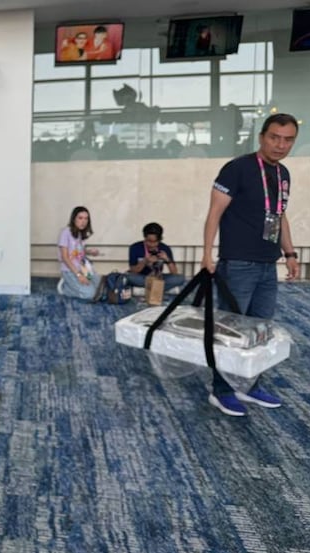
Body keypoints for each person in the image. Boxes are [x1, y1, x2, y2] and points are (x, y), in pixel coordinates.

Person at [201, 112, 300, 416]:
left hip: (266, 266)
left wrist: (290, 253)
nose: (280, 145)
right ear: (261, 137)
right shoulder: (237, 169)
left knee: (260, 331)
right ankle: (221, 390)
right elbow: (214, 212)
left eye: (288, 140)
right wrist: (207, 254)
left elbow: (279, 215)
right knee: (230, 331)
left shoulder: (283, 174)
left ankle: (250, 385)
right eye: (274, 137)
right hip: (238, 265)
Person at [57, 206, 102, 300]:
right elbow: (65, 257)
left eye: (86, 218)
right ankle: (66, 288)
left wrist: (90, 252)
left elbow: (78, 251)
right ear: (74, 219)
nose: (83, 221)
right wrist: (79, 275)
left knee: (100, 287)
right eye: (80, 218)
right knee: (90, 294)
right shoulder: (65, 232)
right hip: (70, 270)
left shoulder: (80, 234)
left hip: (84, 267)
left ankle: (76, 285)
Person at [126, 222, 186, 291]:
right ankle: (159, 289)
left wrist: (167, 259)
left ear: (160, 240)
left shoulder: (164, 248)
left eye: (155, 242)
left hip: (158, 278)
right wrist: (145, 261)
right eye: (149, 241)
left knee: (180, 278)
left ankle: (146, 289)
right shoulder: (135, 247)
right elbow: (133, 271)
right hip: (142, 277)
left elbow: (174, 272)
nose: (152, 245)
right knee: (128, 277)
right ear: (144, 238)